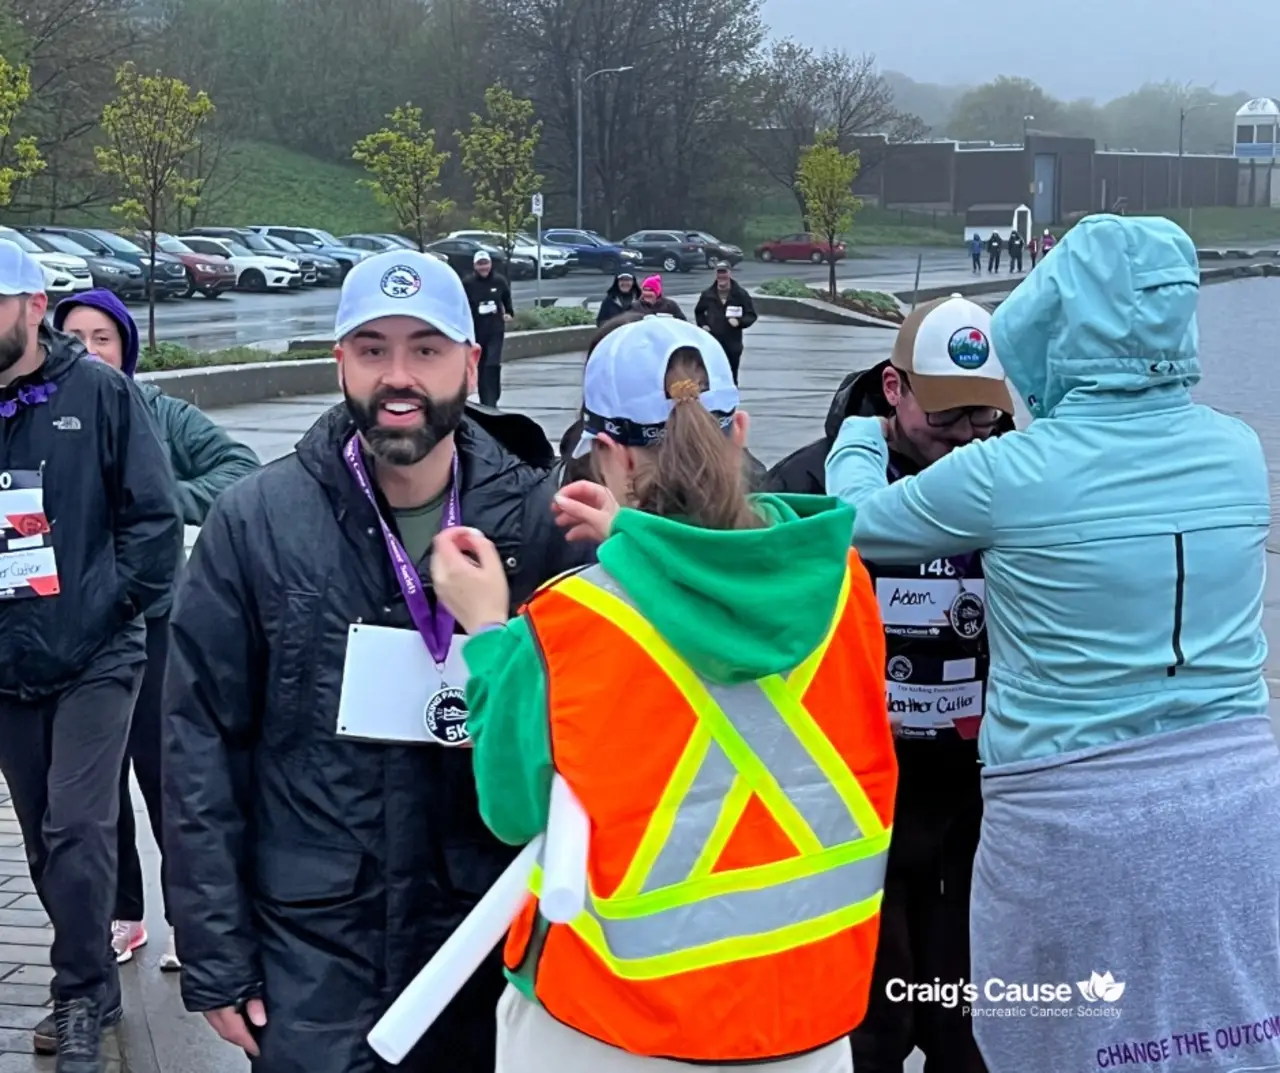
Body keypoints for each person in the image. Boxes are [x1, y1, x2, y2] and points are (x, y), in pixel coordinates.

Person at [825, 215, 1280, 1073]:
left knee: (1057, 1030)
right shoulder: (1240, 450)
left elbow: (855, 520)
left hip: (1072, 809)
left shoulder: (1014, 473)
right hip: (1236, 797)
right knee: (1227, 1025)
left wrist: (857, 431)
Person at [430, 314, 897, 1073]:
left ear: (607, 453)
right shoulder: (845, 587)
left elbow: (510, 810)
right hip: (808, 1021)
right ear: (739, 430)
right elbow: (720, 595)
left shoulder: (566, 627)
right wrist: (639, 541)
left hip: (612, 1028)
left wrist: (486, 632)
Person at [163, 249, 591, 1073]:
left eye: (425, 349)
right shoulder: (257, 520)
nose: (399, 375)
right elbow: (199, 744)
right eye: (373, 350)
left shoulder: (541, 523)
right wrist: (214, 950)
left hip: (483, 938)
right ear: (340, 363)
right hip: (314, 946)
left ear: (471, 360)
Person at [798, 296, 1011, 1073]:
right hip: (856, 807)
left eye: (982, 420)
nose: (963, 441)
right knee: (872, 1035)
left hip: (973, 811)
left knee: (968, 1034)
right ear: (893, 388)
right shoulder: (809, 482)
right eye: (946, 417)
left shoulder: (1012, 484)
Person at [0, 242, 181, 1073]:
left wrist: (103, 605)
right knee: (45, 836)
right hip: (8, 662)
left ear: (34, 306)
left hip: (99, 653)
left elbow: (154, 523)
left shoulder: (99, 394)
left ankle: (77, 996)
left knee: (78, 821)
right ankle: (94, 983)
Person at [51, 291, 259, 981]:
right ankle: (122, 913)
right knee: (95, 789)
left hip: (159, 620)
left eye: (102, 336)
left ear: (127, 346)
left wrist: (163, 499)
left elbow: (237, 467)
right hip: (79, 632)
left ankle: (193, 921)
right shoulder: (43, 414)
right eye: (74, 335)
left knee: (171, 777)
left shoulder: (162, 415)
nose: (88, 348)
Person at [694, 260, 758, 385]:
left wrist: (739, 322)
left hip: (733, 342)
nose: (721, 276)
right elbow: (699, 312)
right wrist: (703, 325)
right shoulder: (708, 294)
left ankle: (731, 401)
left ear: (730, 273)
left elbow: (751, 315)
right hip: (713, 341)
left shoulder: (740, 294)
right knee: (713, 373)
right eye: (719, 272)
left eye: (724, 272)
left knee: (731, 374)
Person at [464, 249, 513, 406]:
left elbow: (506, 298)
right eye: (480, 264)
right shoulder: (468, 283)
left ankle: (492, 399)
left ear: (491, 264)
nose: (483, 267)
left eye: (486, 263)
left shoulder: (499, 281)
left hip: (495, 329)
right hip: (477, 330)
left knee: (492, 364)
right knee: (481, 365)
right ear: (474, 266)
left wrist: (509, 313)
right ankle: (485, 400)